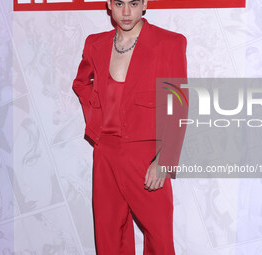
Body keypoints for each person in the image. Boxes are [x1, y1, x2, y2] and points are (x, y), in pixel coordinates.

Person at [72, 0, 188, 254]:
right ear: (109, 4)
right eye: (119, 3)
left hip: (146, 155)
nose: (126, 12)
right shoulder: (95, 44)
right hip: (106, 154)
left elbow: (178, 104)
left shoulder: (170, 43)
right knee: (109, 235)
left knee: (159, 237)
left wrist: (164, 160)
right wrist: (97, 120)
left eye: (134, 3)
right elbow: (81, 83)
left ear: (145, 4)